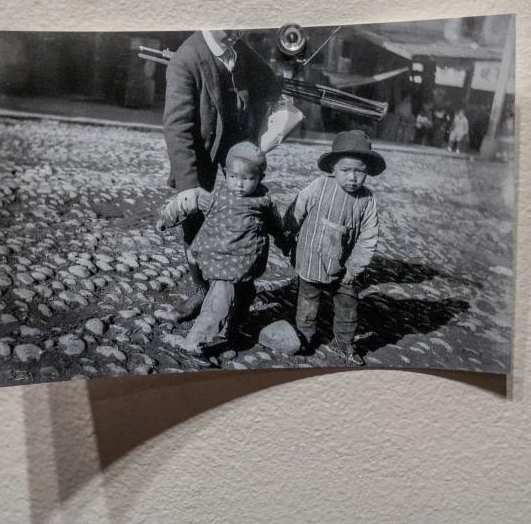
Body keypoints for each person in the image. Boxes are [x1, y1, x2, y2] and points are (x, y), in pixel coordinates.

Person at [161, 30, 280, 323]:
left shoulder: (239, 47)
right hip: (200, 153)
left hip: (238, 151)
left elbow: (270, 82)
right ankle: (201, 289)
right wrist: (188, 186)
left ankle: (239, 292)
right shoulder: (186, 59)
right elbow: (177, 127)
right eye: (232, 24)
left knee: (245, 217)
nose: (239, 30)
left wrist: (271, 109)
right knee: (194, 227)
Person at [156, 142, 288, 354]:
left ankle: (233, 330)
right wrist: (168, 217)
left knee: (246, 296)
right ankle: (194, 341)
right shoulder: (218, 195)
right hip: (222, 262)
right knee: (217, 303)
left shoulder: (264, 202)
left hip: (247, 263)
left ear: (260, 178)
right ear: (226, 173)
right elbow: (190, 203)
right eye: (233, 177)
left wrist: (285, 242)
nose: (239, 184)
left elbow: (277, 226)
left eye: (247, 179)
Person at [284, 130, 383, 366]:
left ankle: (344, 342)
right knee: (308, 301)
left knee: (348, 305)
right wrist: (287, 235)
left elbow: (369, 237)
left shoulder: (367, 201)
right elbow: (297, 209)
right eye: (345, 170)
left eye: (359, 171)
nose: (352, 177)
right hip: (312, 258)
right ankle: (305, 336)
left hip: (344, 266)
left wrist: (355, 268)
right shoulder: (319, 186)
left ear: (367, 171)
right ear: (333, 168)